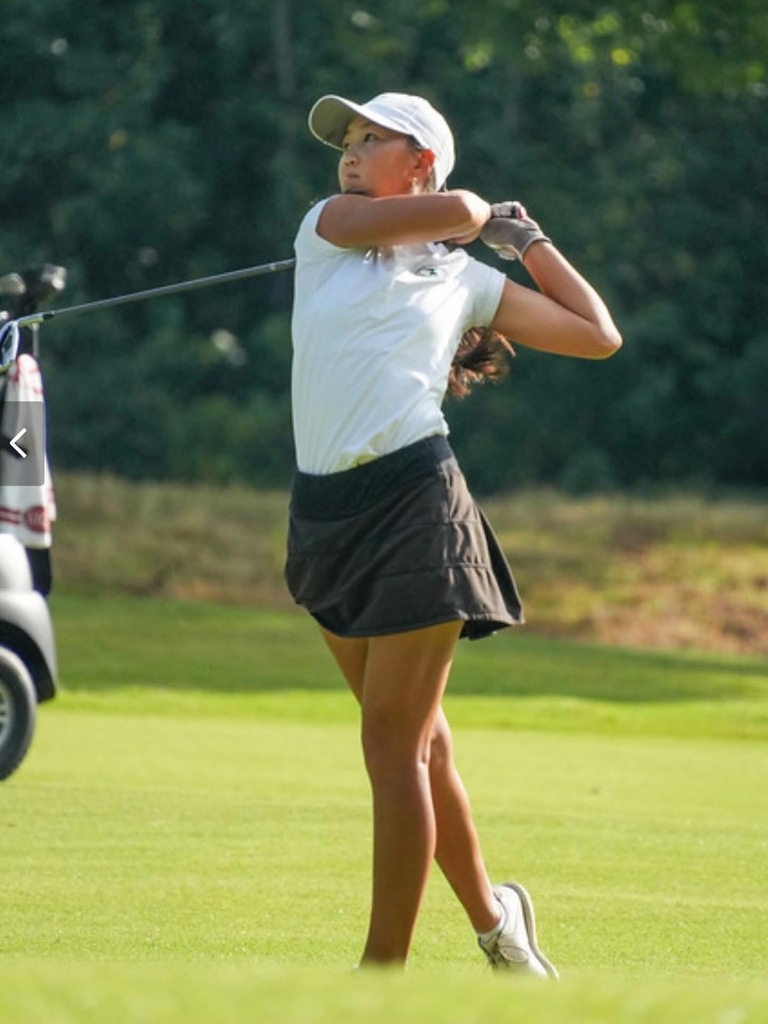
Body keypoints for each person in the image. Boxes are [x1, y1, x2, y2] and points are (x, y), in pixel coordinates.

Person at [285, 91, 622, 973]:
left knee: (391, 747)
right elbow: (462, 209)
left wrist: (525, 243)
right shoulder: (326, 231)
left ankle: (380, 977)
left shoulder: (469, 280)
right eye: (346, 142)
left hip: (417, 506)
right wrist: (474, 215)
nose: (350, 154)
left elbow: (598, 336)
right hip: (323, 515)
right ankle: (496, 921)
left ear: (420, 162)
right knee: (420, 742)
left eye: (371, 139)